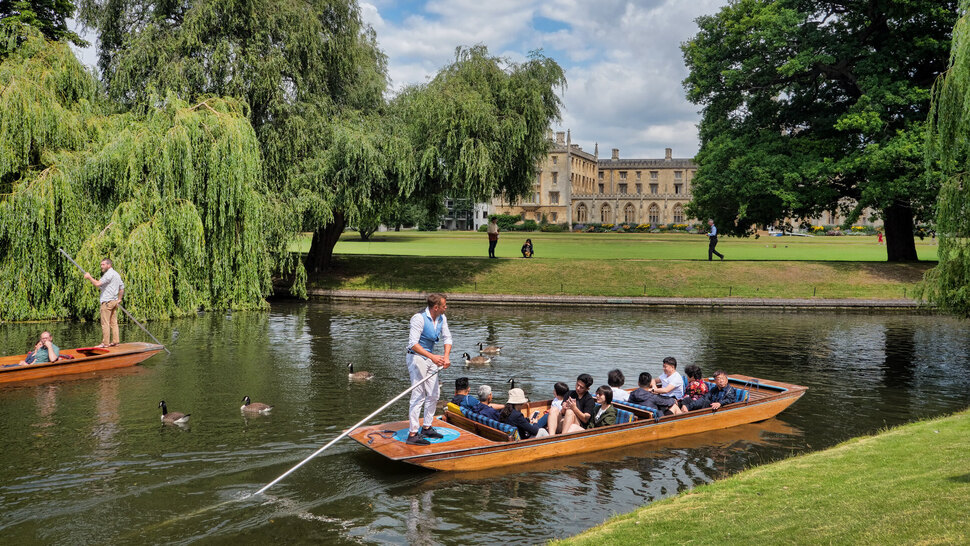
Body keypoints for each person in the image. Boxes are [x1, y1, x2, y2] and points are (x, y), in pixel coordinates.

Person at [405, 293, 452, 445]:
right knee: (418, 394)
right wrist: (432, 357)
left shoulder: (441, 318)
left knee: (434, 393)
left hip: (431, 357)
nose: (446, 308)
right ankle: (412, 434)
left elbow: (447, 338)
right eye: (444, 306)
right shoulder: (418, 318)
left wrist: (445, 357)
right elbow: (413, 344)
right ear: (436, 307)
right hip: (416, 357)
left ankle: (426, 426)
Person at [83, 258, 125, 348]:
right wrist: (119, 299)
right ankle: (115, 341)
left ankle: (105, 343)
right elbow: (121, 288)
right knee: (113, 323)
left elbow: (97, 284)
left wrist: (89, 277)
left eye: (103, 264)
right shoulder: (116, 274)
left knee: (105, 323)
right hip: (113, 302)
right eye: (101, 264)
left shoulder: (109, 274)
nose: (101, 266)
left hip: (106, 302)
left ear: (109, 265)